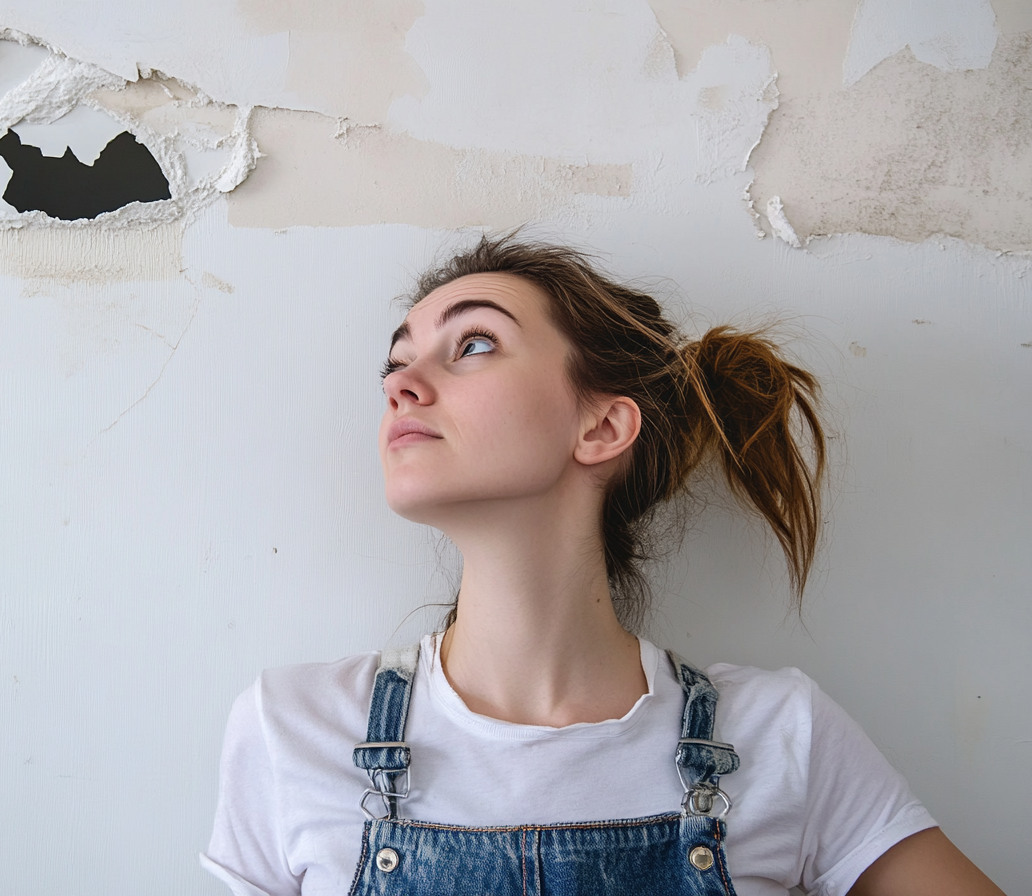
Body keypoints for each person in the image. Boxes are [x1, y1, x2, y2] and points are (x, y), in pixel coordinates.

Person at [201, 237, 1005, 896]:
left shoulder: (778, 735)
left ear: (603, 425)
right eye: (396, 364)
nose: (403, 387)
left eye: (472, 344)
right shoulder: (293, 729)